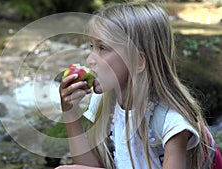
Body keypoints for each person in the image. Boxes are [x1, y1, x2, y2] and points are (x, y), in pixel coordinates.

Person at [57, 2, 218, 169]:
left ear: (138, 61)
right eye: (92, 47)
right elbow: (87, 165)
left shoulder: (171, 120)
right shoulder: (105, 100)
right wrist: (70, 112)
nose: (90, 59)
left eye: (102, 48)